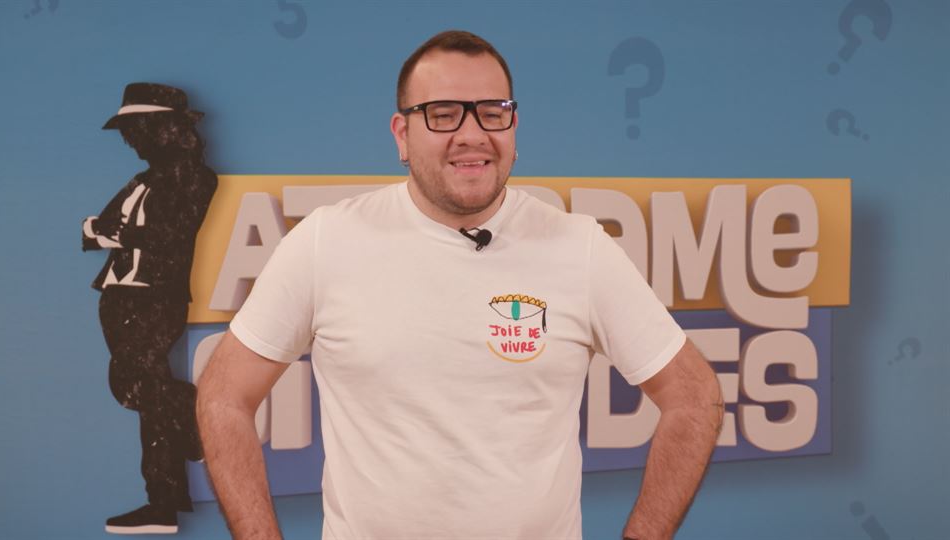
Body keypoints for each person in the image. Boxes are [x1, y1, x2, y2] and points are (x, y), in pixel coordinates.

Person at [197, 30, 722, 540]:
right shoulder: (326, 242)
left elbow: (695, 398)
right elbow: (224, 397)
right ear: (402, 135)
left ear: (514, 127)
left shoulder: (579, 247)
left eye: (492, 112)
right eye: (443, 114)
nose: (472, 135)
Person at [83, 82, 217, 535]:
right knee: (138, 393)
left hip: (155, 296)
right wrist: (110, 231)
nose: (130, 141)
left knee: (144, 392)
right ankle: (194, 434)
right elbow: (93, 229)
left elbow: (169, 235)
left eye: (135, 130)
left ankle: (168, 494)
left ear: (162, 129)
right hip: (117, 295)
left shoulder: (195, 177)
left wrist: (114, 232)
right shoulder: (140, 181)